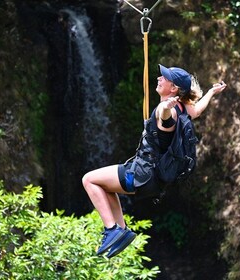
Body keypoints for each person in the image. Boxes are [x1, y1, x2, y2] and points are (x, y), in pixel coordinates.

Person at [82, 64, 226, 258]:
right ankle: (121, 230)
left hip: (141, 174)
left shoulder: (167, 110)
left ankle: (111, 229)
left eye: (164, 77)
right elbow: (197, 110)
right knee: (106, 186)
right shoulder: (184, 108)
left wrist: (165, 109)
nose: (159, 78)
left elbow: (165, 119)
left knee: (88, 180)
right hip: (154, 179)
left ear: (173, 88)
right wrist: (211, 92)